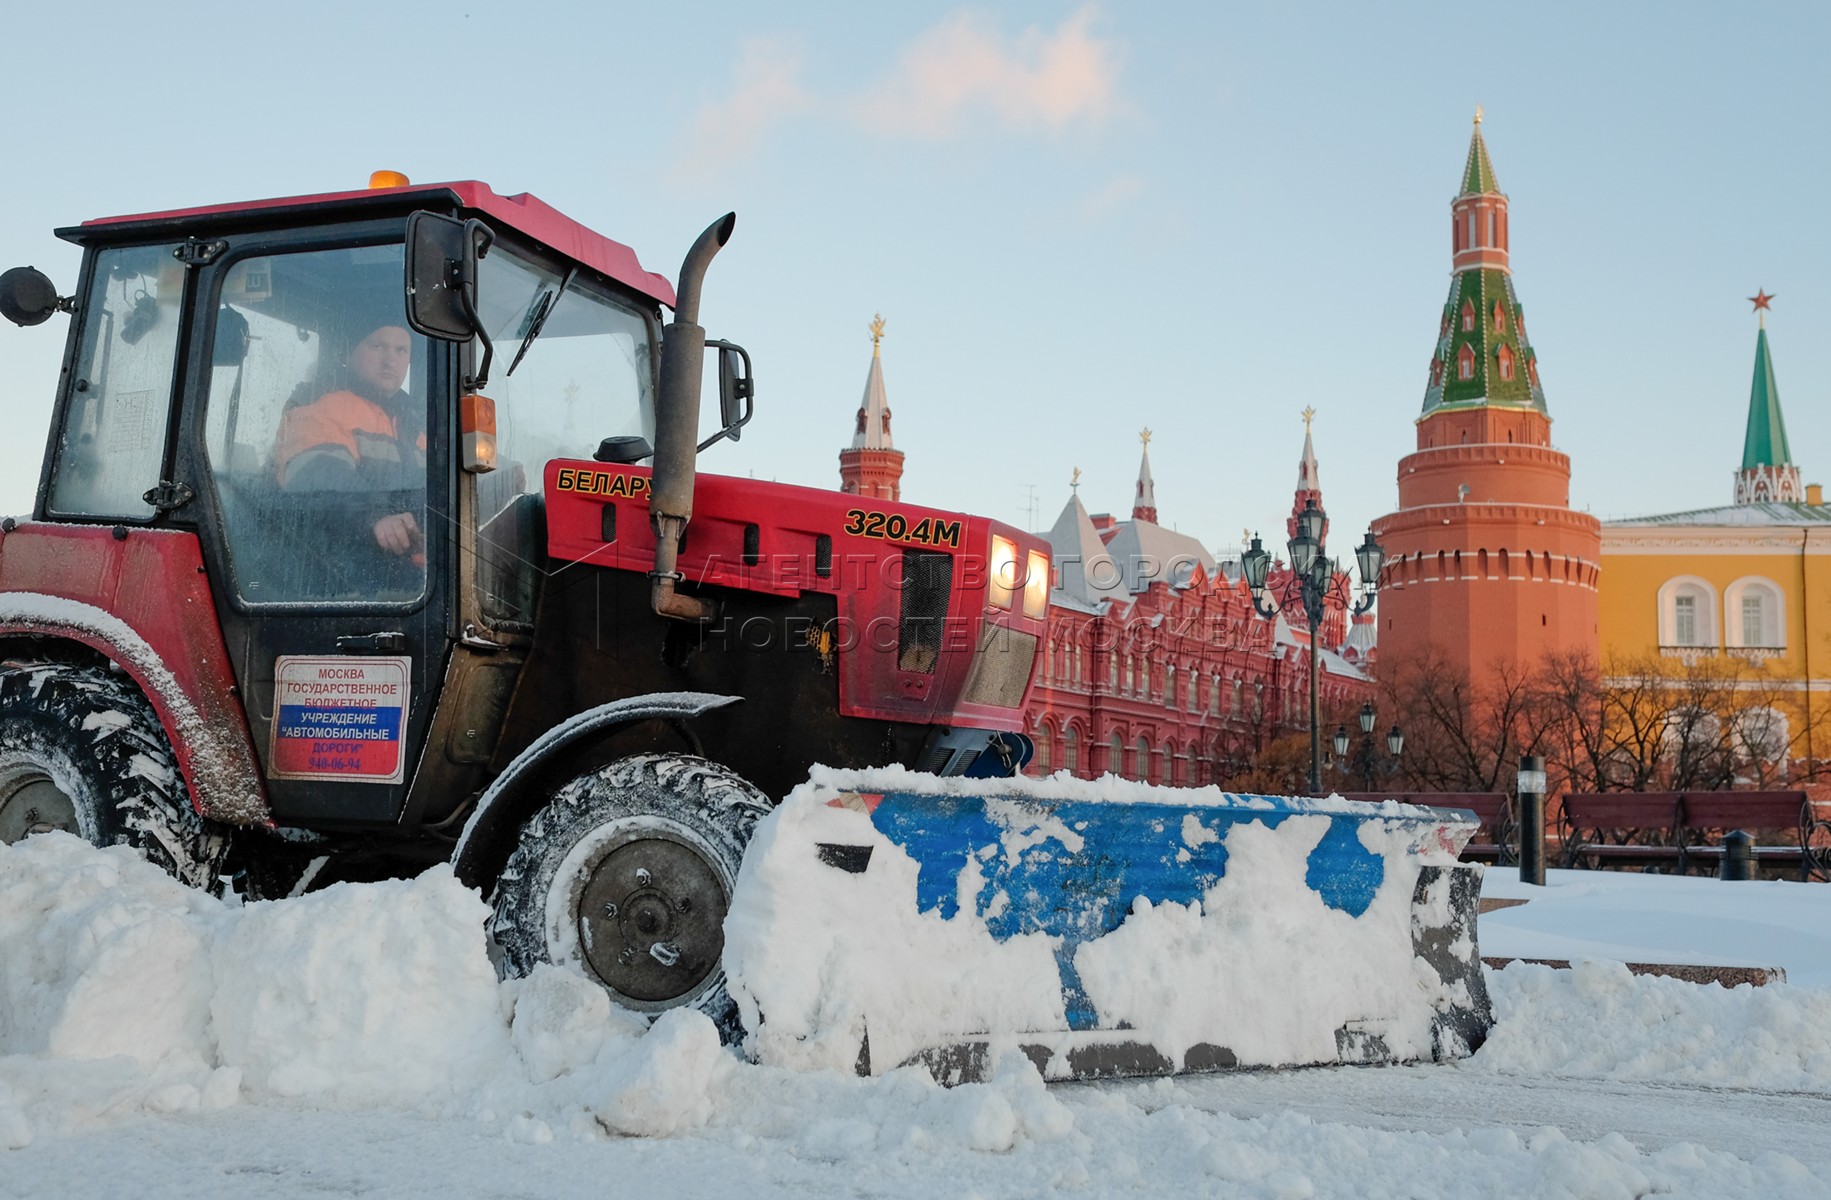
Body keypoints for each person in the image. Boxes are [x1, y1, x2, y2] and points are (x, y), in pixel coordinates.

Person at [273, 320, 428, 588]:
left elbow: (444, 480)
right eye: (378, 346)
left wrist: (499, 476)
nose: (390, 360)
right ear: (350, 351)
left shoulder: (410, 423)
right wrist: (376, 517)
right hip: (325, 578)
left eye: (401, 350)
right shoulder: (320, 404)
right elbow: (320, 473)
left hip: (398, 580)